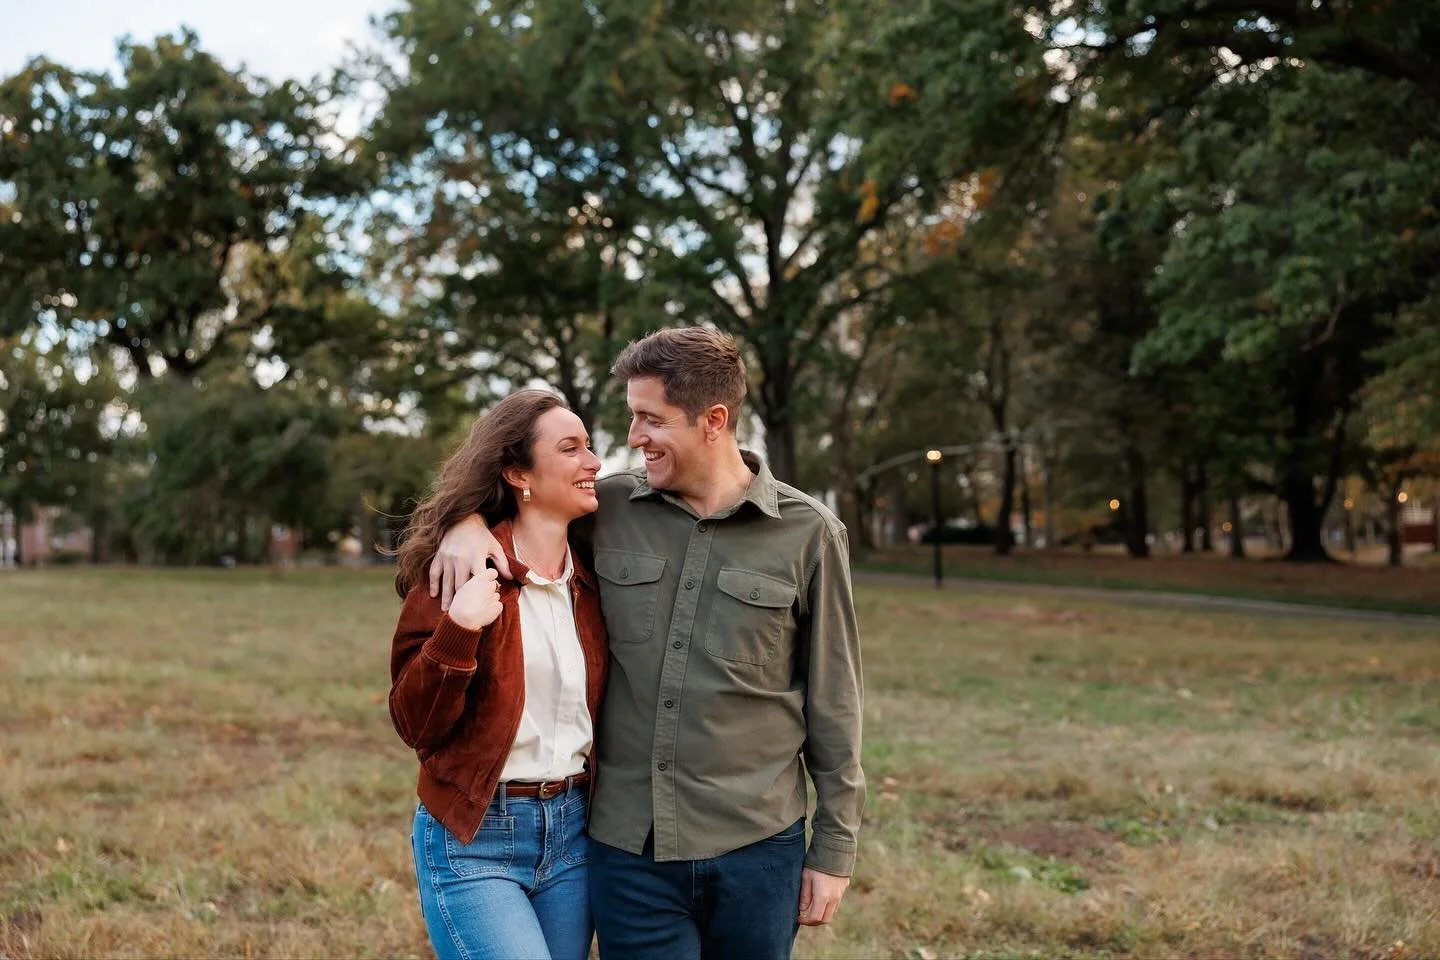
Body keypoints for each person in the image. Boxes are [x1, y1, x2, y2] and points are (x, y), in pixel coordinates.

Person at [430, 328, 865, 960]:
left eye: (650, 420)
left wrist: (833, 850)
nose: (633, 439)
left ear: (713, 421)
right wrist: (463, 526)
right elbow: (512, 492)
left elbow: (836, 702)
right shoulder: (606, 508)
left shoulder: (810, 534)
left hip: (758, 847)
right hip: (629, 850)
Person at [388, 389, 608, 960]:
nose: (594, 462)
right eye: (571, 448)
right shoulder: (458, 572)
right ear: (518, 472)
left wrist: (463, 518)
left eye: (590, 446)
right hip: (474, 833)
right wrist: (459, 630)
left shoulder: (596, 578)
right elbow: (415, 723)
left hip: (575, 835)